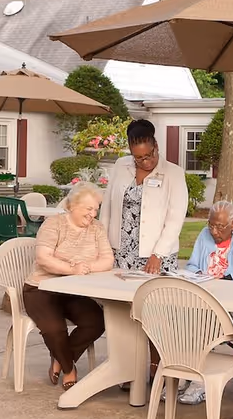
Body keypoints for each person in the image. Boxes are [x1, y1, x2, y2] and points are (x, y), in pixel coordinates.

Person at [100, 119, 189, 383]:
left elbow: (175, 218)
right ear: (130, 151)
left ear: (156, 146)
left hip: (155, 256)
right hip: (122, 252)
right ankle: (127, 369)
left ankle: (158, 368)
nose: (145, 161)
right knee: (123, 314)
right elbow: (108, 207)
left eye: (149, 155)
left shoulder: (173, 173)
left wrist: (158, 254)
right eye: (138, 158)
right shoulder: (120, 166)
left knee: (155, 315)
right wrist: (104, 244)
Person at [176, 200, 233, 405]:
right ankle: (183, 373)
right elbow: (191, 264)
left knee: (200, 320)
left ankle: (199, 382)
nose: (213, 230)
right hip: (204, 293)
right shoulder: (204, 235)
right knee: (178, 317)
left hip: (232, 301)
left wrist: (227, 279)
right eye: (211, 224)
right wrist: (198, 274)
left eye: (220, 226)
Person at [22, 182, 114, 391]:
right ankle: (69, 368)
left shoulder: (96, 228)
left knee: (97, 321)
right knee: (55, 328)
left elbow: (107, 260)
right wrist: (73, 269)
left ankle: (60, 357)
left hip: (74, 291)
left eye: (96, 210)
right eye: (88, 209)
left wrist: (86, 267)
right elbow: (43, 259)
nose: (93, 214)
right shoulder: (54, 224)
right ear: (72, 205)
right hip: (41, 288)